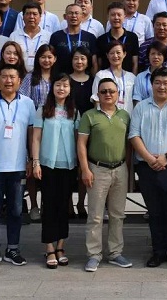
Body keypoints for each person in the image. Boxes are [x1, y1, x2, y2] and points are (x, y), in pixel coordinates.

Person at [129, 67, 167, 269]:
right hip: (147, 167)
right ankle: (158, 251)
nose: (162, 86)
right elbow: (134, 135)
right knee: (154, 212)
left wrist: (166, 157)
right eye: (157, 82)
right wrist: (149, 158)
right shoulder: (141, 107)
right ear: (151, 85)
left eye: (166, 83)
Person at [0, 65, 36, 268]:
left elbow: (31, 135)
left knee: (16, 211)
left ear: (19, 81)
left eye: (12, 77)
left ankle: (13, 249)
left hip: (18, 167)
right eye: (4, 77)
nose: (8, 81)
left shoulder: (28, 103)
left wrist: (31, 159)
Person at [77, 78, 133, 272]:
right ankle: (94, 255)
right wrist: (85, 169)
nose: (108, 94)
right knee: (95, 215)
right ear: (97, 95)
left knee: (118, 214)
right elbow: (81, 144)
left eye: (111, 91)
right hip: (97, 169)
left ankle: (115, 253)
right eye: (103, 91)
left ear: (118, 94)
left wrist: (128, 168)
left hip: (120, 168)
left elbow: (129, 145)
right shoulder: (89, 116)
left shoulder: (125, 116)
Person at [31, 73, 79, 269]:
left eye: (65, 86)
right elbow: (36, 138)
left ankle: (60, 246)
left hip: (68, 165)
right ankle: (49, 247)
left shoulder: (74, 111)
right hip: (47, 165)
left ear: (70, 89)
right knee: (49, 206)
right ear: (52, 88)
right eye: (58, 85)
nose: (61, 89)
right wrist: (35, 162)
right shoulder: (43, 109)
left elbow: (78, 139)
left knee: (64, 206)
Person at [18, 43, 58, 222]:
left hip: (54, 126)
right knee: (33, 164)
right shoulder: (30, 77)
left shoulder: (58, 77)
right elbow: (23, 100)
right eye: (43, 57)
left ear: (55, 59)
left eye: (50, 57)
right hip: (33, 126)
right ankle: (33, 205)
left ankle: (49, 205)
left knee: (50, 166)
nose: (46, 60)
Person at [69, 45, 95, 220]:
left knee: (84, 167)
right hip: (68, 127)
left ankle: (81, 203)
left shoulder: (93, 81)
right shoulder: (65, 79)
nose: (79, 62)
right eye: (76, 58)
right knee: (69, 167)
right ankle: (68, 204)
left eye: (83, 58)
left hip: (88, 129)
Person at [50, 3, 99, 75]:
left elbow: (94, 63)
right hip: (62, 78)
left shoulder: (90, 37)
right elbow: (51, 59)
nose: (74, 16)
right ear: (65, 17)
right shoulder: (56, 36)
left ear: (82, 16)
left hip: (84, 78)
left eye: (77, 13)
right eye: (70, 13)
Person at [91, 40, 136, 114]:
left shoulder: (132, 77)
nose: (115, 56)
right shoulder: (101, 75)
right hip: (107, 117)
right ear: (107, 55)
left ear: (124, 54)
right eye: (112, 53)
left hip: (128, 116)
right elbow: (96, 100)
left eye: (118, 52)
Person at [96, 1, 139, 73]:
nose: (116, 18)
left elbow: (135, 63)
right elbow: (99, 64)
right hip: (106, 78)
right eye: (113, 15)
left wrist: (133, 78)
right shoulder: (101, 39)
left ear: (124, 16)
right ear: (108, 17)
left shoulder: (132, 37)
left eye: (119, 15)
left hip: (127, 78)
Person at [9, 2, 51, 73]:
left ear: (40, 17)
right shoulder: (14, 35)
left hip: (41, 74)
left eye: (35, 14)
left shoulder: (48, 36)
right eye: (28, 14)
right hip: (19, 74)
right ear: (23, 17)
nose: (31, 17)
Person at [133, 40, 167, 104]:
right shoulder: (140, 77)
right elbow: (137, 99)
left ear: (164, 57)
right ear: (148, 56)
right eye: (153, 54)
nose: (156, 57)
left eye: (159, 54)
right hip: (144, 109)